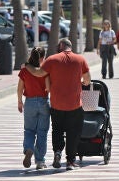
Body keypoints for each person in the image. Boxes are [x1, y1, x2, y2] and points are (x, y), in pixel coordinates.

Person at [24, 39, 91, 171]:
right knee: (73, 133)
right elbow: (87, 80)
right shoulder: (80, 59)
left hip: (56, 105)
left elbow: (38, 73)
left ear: (60, 46)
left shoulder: (52, 59)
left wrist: (26, 65)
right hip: (74, 105)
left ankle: (57, 153)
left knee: (58, 131)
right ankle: (70, 161)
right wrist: (82, 82)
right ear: (70, 47)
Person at [17, 47, 50, 170]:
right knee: (42, 133)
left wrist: (20, 102)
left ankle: (29, 148)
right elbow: (48, 88)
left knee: (29, 130)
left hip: (29, 102)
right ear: (42, 58)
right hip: (43, 103)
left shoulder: (24, 71)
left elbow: (20, 88)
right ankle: (40, 161)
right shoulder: (45, 71)